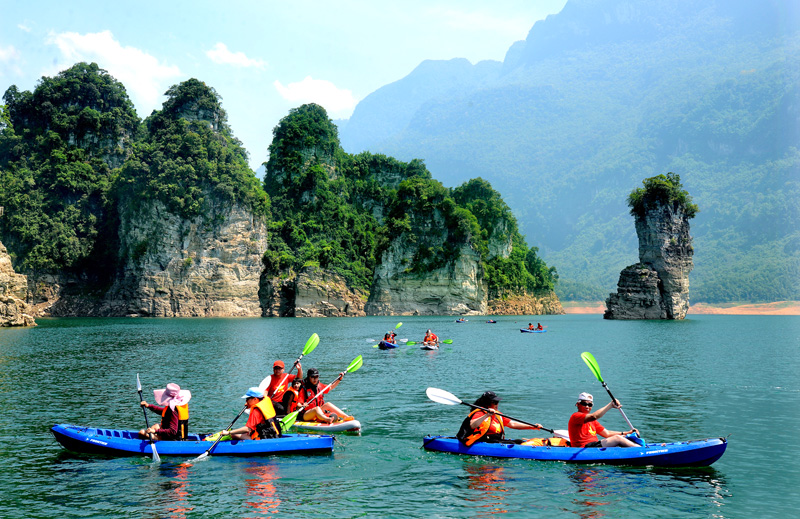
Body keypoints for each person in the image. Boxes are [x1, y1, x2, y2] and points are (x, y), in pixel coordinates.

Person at [456, 391, 542, 446]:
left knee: (519, 441)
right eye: (495, 402)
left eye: (497, 402)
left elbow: (512, 424)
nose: (497, 404)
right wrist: (487, 415)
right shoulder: (479, 413)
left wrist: (532, 426)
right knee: (514, 443)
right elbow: (472, 425)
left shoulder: (498, 414)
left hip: (496, 440)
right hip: (483, 441)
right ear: (487, 403)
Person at [568, 392, 639, 448]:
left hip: (593, 446)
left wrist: (627, 433)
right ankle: (641, 449)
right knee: (617, 438)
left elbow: (607, 434)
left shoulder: (592, 421)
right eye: (584, 404)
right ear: (578, 404)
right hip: (584, 448)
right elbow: (594, 416)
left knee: (624, 437)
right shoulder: (576, 416)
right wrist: (610, 405)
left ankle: (636, 449)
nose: (587, 406)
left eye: (590, 405)